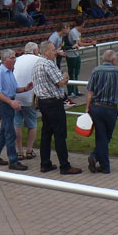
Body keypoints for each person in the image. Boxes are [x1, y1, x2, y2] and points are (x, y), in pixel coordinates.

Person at [32, 40, 82, 175]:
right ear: (47, 51)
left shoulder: (37, 63)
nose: (55, 52)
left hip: (43, 102)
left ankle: (45, 163)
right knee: (60, 134)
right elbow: (60, 82)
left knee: (46, 133)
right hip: (53, 103)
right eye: (53, 50)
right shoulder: (48, 64)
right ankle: (65, 166)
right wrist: (65, 75)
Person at [85, 49, 118, 174]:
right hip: (110, 109)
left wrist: (87, 108)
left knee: (101, 136)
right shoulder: (117, 70)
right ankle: (102, 163)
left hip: (96, 107)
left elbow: (90, 92)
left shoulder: (96, 70)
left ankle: (99, 159)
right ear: (113, 60)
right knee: (106, 136)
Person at [0, 49, 31, 170]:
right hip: (4, 104)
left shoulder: (10, 72)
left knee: (4, 130)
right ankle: (13, 160)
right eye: (12, 58)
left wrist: (25, 89)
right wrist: (10, 102)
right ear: (5, 59)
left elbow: (14, 88)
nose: (15, 60)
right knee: (10, 133)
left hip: (8, 102)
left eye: (14, 57)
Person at [12, 42, 40, 161]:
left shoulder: (17, 60)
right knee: (32, 123)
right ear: (34, 51)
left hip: (16, 95)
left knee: (17, 124)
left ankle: (19, 152)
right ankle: (29, 150)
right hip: (29, 96)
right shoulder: (39, 60)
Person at [63, 18, 89, 103]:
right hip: (71, 55)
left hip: (75, 54)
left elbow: (79, 42)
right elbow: (79, 43)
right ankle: (72, 91)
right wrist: (89, 44)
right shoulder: (74, 32)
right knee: (72, 73)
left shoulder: (76, 32)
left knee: (76, 73)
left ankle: (76, 90)